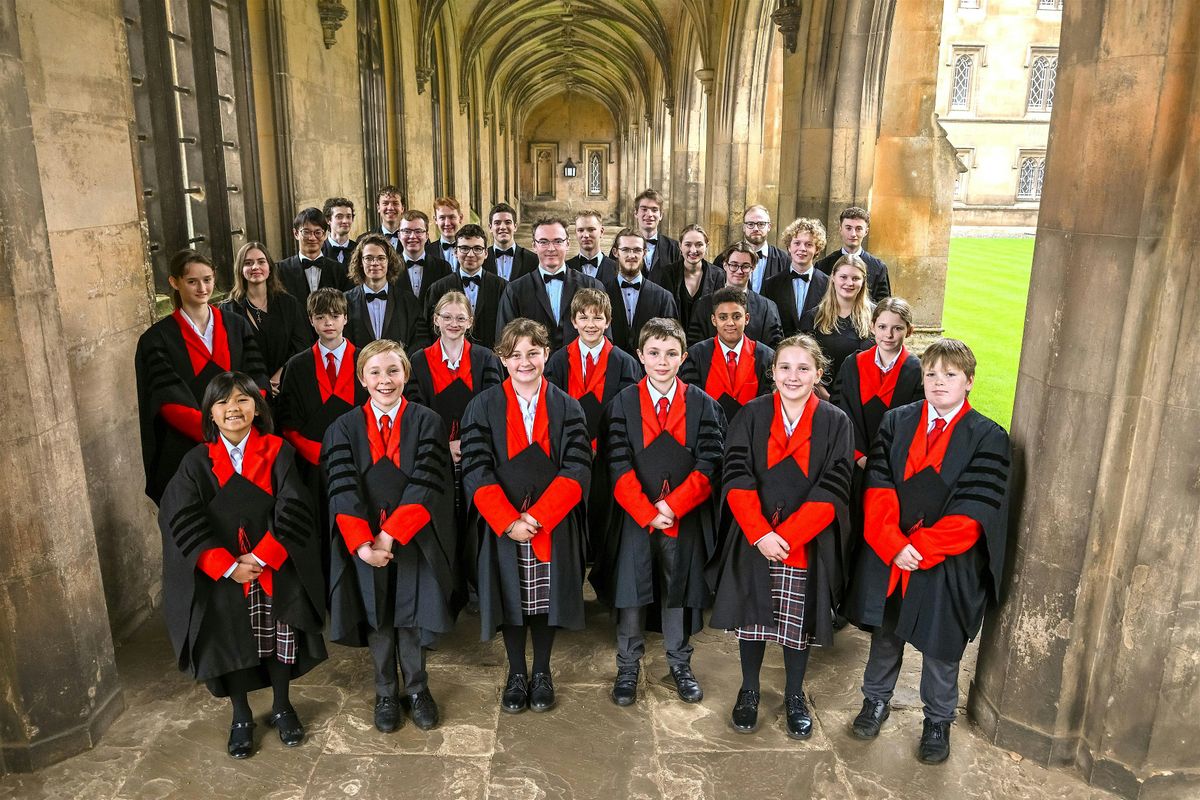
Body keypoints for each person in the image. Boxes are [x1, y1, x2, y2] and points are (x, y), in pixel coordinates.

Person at [843, 339, 1010, 765]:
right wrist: (893, 546)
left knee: (940, 646)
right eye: (932, 374)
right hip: (892, 556)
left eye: (950, 375)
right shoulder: (896, 422)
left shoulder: (988, 437)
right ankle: (875, 701)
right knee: (886, 634)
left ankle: (937, 720)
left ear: (968, 382)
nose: (939, 383)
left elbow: (974, 511)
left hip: (946, 563)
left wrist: (918, 549)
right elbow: (877, 487)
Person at [158, 371, 327, 759]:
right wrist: (225, 565)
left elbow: (295, 507)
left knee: (282, 638)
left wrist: (264, 555)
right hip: (225, 576)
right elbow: (180, 517)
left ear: (257, 407)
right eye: (222, 402)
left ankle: (283, 705)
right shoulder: (196, 462)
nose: (233, 408)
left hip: (273, 567)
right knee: (229, 638)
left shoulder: (278, 451)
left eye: (242, 400)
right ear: (210, 415)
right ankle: (241, 716)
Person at [708, 335, 853, 740]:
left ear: (818, 374)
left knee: (797, 625)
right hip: (755, 537)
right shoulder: (752, 415)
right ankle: (749, 689)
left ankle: (793, 695)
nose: (793, 375)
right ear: (772, 372)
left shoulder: (835, 422)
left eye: (804, 368)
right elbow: (736, 475)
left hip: (803, 543)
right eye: (785, 367)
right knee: (751, 621)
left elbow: (834, 487)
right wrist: (760, 534)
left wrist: (785, 537)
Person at [323, 339, 458, 734]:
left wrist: (391, 536)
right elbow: (342, 489)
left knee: (411, 616)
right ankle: (385, 692)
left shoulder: (427, 421)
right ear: (362, 378)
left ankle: (417, 689)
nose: (386, 380)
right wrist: (364, 543)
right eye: (376, 372)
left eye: (394, 371)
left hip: (413, 538)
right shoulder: (343, 428)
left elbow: (427, 484)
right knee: (376, 615)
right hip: (363, 543)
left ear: (406, 374)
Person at [590, 318, 724, 708]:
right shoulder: (623, 404)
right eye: (653, 353)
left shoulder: (703, 405)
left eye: (670, 354)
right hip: (635, 517)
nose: (662, 361)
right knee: (631, 589)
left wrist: (672, 506)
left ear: (684, 356)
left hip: (684, 517)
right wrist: (647, 511)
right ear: (640, 356)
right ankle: (628, 665)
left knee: (678, 589)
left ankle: (679, 663)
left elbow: (709, 463)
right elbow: (616, 463)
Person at [460, 319, 592, 714]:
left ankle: (544, 671)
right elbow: (475, 468)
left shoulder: (568, 406)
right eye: (515, 354)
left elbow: (578, 467)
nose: (524, 361)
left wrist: (538, 517)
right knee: (510, 599)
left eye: (532, 352)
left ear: (546, 354)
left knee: (545, 600)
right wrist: (508, 520)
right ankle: (517, 672)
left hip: (552, 523)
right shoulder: (482, 406)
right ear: (502, 359)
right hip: (503, 526)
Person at [136, 249, 268, 504]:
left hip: (243, 444)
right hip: (186, 449)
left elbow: (257, 378)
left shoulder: (237, 326)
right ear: (174, 282)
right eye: (192, 281)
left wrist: (241, 425)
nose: (202, 287)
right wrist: (220, 434)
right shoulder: (156, 340)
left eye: (207, 279)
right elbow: (167, 400)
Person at [831, 298, 924, 592]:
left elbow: (914, 424)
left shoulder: (916, 371)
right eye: (882, 326)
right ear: (872, 327)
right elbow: (840, 410)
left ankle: (871, 596)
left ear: (908, 331)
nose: (888, 334)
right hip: (853, 462)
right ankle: (844, 594)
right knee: (849, 529)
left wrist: (884, 462)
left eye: (897, 328)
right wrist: (858, 455)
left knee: (881, 528)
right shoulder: (853, 364)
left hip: (893, 469)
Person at [544, 289, 641, 561]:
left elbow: (628, 413)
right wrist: (580, 445)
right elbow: (552, 409)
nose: (590, 324)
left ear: (608, 321)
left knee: (605, 512)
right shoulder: (559, 361)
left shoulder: (625, 363)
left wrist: (600, 443)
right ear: (573, 321)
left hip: (611, 454)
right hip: (569, 454)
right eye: (583, 317)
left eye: (598, 318)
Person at [275, 288, 365, 503]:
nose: (328, 323)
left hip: (360, 460)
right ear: (310, 320)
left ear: (345, 318)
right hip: (312, 465)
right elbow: (287, 421)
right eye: (320, 317)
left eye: (335, 316)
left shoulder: (366, 361)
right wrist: (319, 455)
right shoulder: (296, 366)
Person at [495, 217, 605, 351]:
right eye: (543, 242)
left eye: (558, 241)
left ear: (568, 244)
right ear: (534, 245)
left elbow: (605, 338)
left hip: (582, 369)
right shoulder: (514, 291)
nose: (551, 248)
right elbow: (505, 341)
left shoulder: (592, 285)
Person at [220, 241, 310, 397]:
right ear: (240, 270)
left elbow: (302, 345)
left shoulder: (289, 304)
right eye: (248, 263)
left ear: (269, 268)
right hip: (247, 391)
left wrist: (280, 376)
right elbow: (230, 355)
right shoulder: (228, 310)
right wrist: (259, 384)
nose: (255, 267)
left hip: (286, 386)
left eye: (261, 262)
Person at [680, 286, 775, 423]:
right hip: (709, 434)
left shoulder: (766, 357)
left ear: (747, 318)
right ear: (714, 320)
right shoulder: (696, 356)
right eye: (723, 317)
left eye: (736, 316)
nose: (730, 323)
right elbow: (692, 403)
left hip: (752, 434)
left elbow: (768, 406)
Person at [424, 223, 509, 350]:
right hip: (449, 361)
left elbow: (507, 327)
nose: (470, 254)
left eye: (477, 249)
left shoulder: (502, 287)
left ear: (486, 253)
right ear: (455, 252)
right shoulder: (438, 288)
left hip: (492, 359)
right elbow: (429, 330)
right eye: (464, 248)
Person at [800, 254, 874, 399]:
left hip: (864, 399)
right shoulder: (813, 318)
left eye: (855, 278)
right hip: (821, 398)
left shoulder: (877, 317)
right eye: (843, 277)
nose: (849, 283)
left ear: (863, 281)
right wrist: (825, 396)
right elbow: (804, 360)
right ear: (833, 277)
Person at [687, 243, 783, 348]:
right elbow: (695, 348)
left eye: (745, 266)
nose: (739, 271)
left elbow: (774, 349)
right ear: (725, 265)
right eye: (733, 265)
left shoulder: (767, 307)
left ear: (753, 268)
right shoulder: (703, 304)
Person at [344, 233, 425, 352]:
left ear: (389, 261)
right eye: (368, 258)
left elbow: (420, 339)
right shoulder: (345, 301)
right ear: (360, 262)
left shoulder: (408, 300)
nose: (375, 263)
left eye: (381, 258)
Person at [603, 229, 679, 353]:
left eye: (637, 250)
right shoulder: (602, 293)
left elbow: (672, 342)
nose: (631, 255)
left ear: (644, 253)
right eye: (625, 249)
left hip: (650, 370)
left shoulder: (664, 297)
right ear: (615, 252)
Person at [649, 224, 725, 332]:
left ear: (706, 246)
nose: (693, 250)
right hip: (673, 340)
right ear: (680, 246)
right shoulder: (666, 274)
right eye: (688, 245)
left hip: (706, 341)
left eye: (699, 245)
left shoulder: (718, 275)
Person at [762, 217, 829, 337]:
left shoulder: (829, 284)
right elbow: (768, 325)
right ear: (789, 247)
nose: (802, 249)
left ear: (817, 249)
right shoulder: (771, 285)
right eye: (797, 243)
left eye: (809, 244)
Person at [814, 206, 891, 302]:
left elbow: (883, 305)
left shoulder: (878, 267)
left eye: (858, 229)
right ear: (840, 229)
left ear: (866, 231)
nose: (853, 234)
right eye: (848, 228)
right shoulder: (823, 265)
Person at [277, 208, 350, 308]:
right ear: (296, 233)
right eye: (306, 232)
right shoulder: (281, 270)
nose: (312, 238)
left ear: (324, 235)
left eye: (318, 232)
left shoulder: (339, 270)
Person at [714, 205, 790, 293]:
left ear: (769, 226)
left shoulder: (784, 260)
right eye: (750, 224)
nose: (756, 228)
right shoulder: (724, 259)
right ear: (743, 227)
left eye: (761, 224)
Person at [397, 210, 452, 307]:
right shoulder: (389, 268)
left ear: (427, 236)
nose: (412, 236)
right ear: (399, 235)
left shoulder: (443, 268)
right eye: (407, 231)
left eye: (418, 231)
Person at [485, 202, 539, 281]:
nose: (503, 227)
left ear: (515, 227)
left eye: (508, 222)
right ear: (490, 227)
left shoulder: (533, 260)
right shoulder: (481, 259)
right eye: (497, 223)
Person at [632, 189, 680, 274]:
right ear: (636, 213)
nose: (649, 214)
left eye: (654, 210)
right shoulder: (622, 245)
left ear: (661, 215)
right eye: (644, 209)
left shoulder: (674, 247)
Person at [567, 210, 618, 284]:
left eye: (591, 230)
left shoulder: (616, 268)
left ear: (601, 231)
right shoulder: (567, 268)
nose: (586, 235)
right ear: (576, 233)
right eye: (580, 230)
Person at [427, 197, 464, 269]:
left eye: (452, 217)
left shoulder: (471, 250)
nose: (447, 223)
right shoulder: (427, 252)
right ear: (436, 220)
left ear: (460, 218)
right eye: (442, 218)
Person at [322, 197, 358, 266]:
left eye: (348, 216)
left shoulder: (359, 250)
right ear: (328, 220)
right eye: (339, 217)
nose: (345, 221)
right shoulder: (319, 251)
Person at [374, 186, 405, 250]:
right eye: (385, 203)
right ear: (378, 208)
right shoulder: (366, 239)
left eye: (395, 203)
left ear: (402, 208)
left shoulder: (416, 240)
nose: (390, 208)